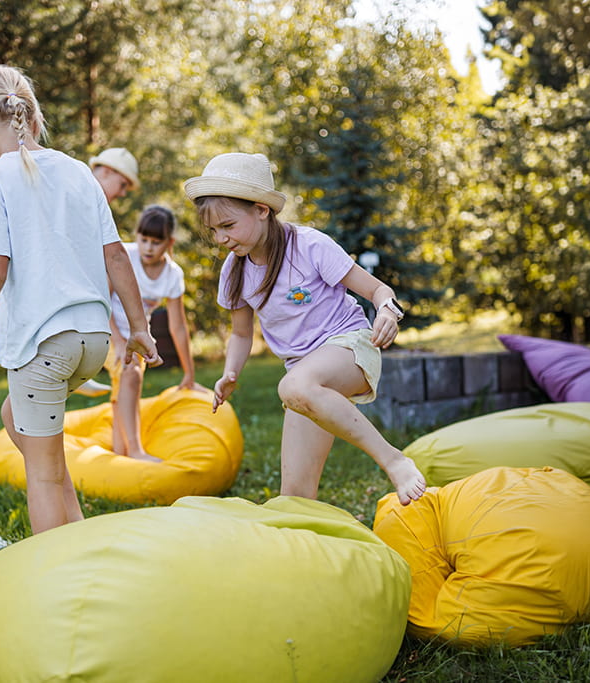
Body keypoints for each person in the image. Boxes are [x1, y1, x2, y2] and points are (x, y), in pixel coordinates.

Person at [0, 64, 160, 534]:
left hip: (45, 346)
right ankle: (80, 535)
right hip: (91, 342)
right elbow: (115, 258)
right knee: (17, 417)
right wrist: (139, 330)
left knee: (42, 477)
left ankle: (57, 589)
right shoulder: (78, 171)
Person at [183, 152, 426, 506]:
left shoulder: (309, 246)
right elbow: (240, 333)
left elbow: (378, 290)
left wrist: (388, 311)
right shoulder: (234, 271)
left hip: (349, 347)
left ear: (261, 210)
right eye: (213, 230)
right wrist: (230, 373)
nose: (221, 238)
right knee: (295, 496)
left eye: (229, 225)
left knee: (294, 384)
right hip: (304, 378)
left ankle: (395, 461)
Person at [107, 205, 204, 462]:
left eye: (156, 242)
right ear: (136, 236)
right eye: (144, 239)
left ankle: (120, 453)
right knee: (131, 373)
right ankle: (136, 450)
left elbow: (178, 327)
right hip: (108, 331)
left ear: (169, 243)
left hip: (138, 337)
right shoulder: (123, 256)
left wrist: (189, 374)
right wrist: (117, 342)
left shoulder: (172, 275)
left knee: (124, 389)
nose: (148, 247)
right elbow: (101, 303)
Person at [74, 147, 143, 398]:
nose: (123, 193)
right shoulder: (81, 195)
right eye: (122, 184)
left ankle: (79, 369)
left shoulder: (93, 202)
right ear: (106, 171)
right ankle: (77, 368)